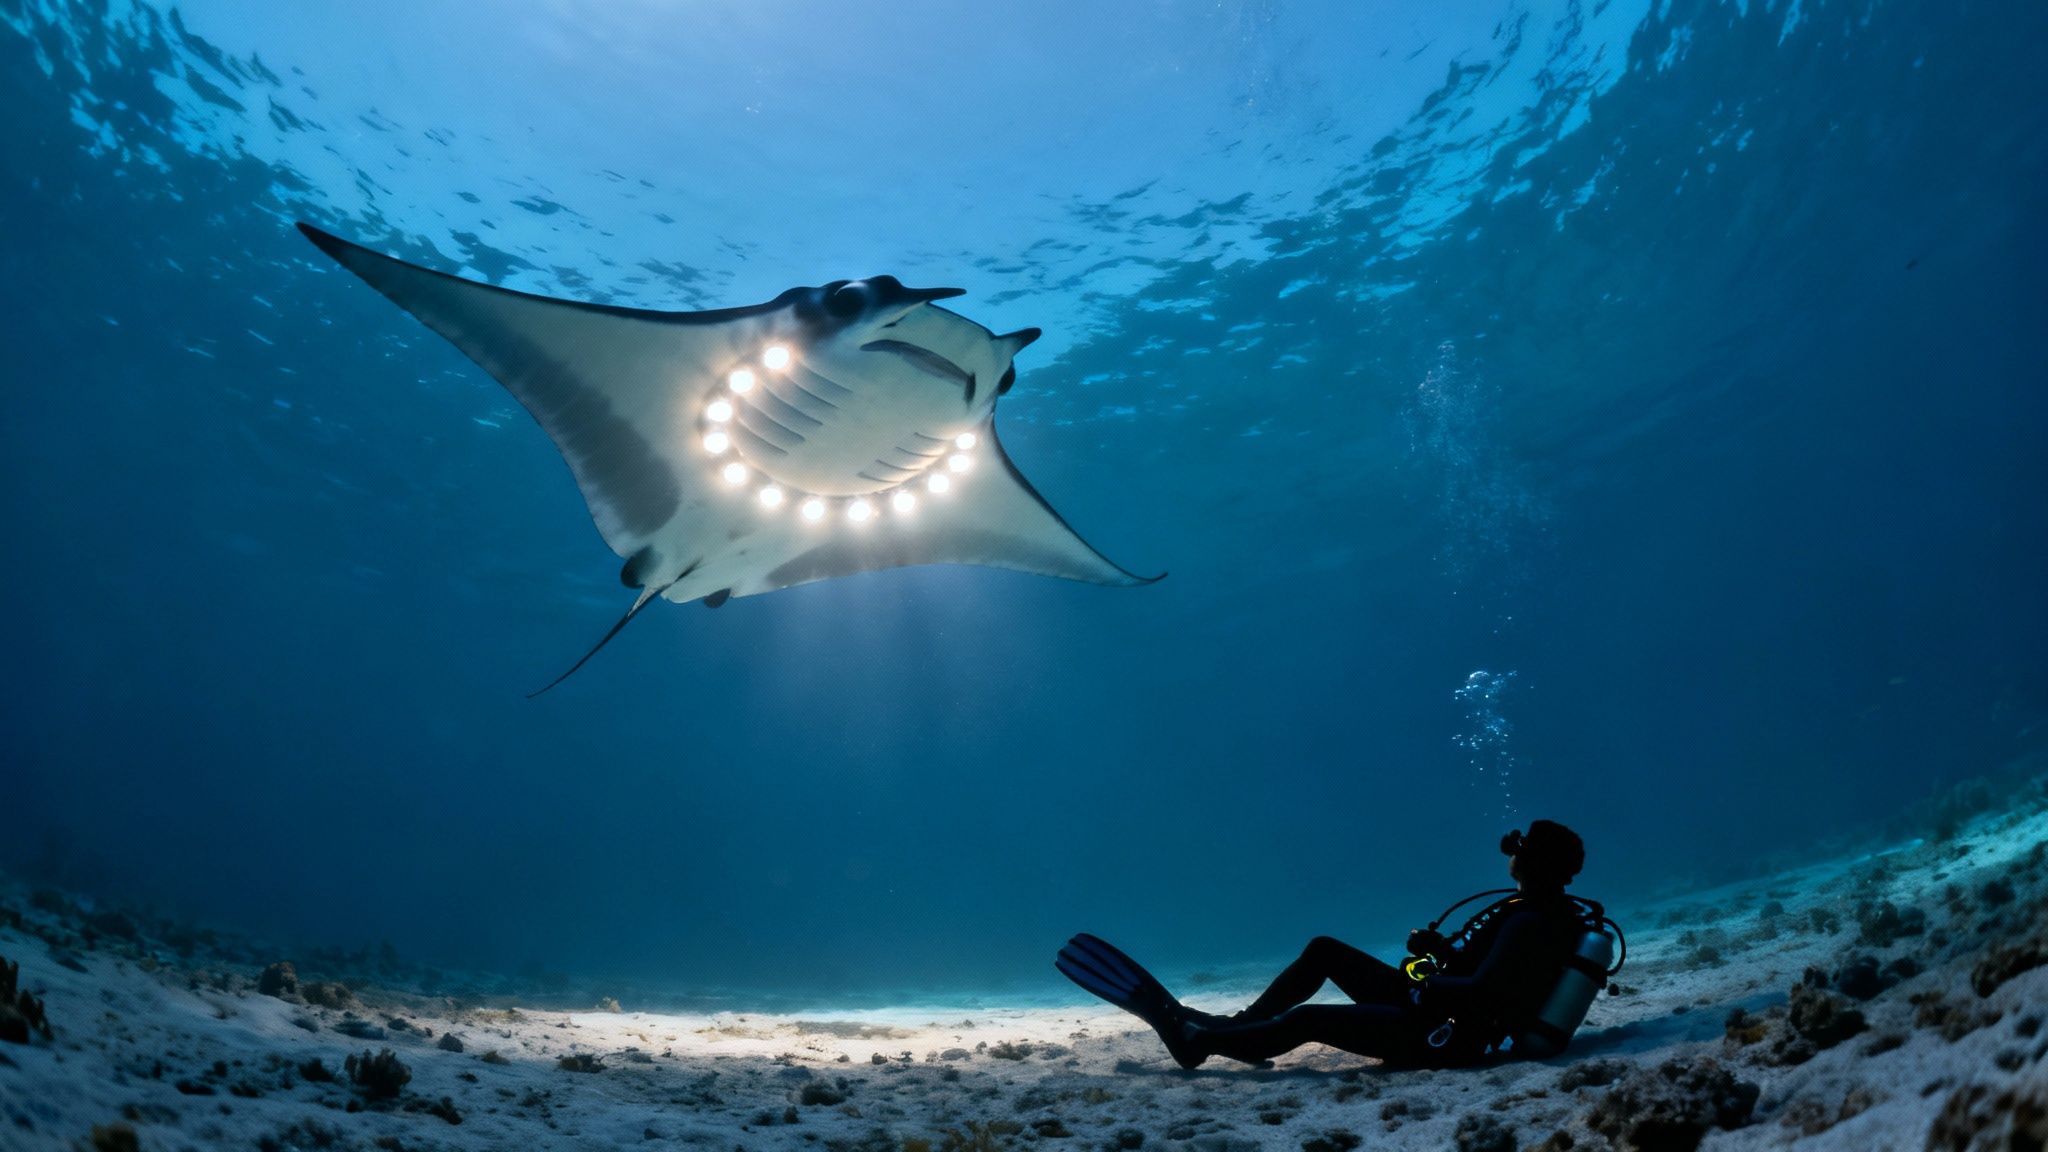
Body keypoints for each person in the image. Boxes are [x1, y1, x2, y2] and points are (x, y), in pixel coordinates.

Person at [1056, 820, 1605, 1070]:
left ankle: (1202, 1043)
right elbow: (1482, 971)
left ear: (1529, 862)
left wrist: (1421, 975)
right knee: (1324, 948)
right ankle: (1237, 1023)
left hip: (1445, 1036)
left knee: (1312, 1019)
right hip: (1433, 1005)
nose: (1509, 854)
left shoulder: (1530, 920)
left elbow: (1483, 993)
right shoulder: (1534, 914)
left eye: (1518, 848)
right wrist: (1434, 953)